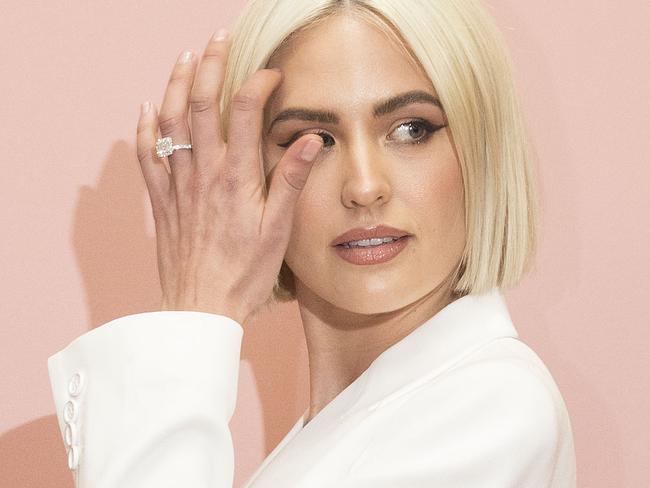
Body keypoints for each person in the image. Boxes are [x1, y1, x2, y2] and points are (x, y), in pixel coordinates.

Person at [47, 0, 577, 486]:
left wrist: (196, 310)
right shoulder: (350, 422)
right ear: (250, 171)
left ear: (482, 148)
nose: (365, 186)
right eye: (314, 140)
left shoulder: (490, 408)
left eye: (412, 129)